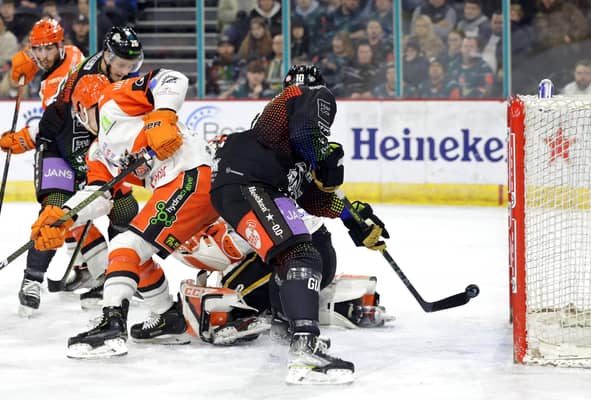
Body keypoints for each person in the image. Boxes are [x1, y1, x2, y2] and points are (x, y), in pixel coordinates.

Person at [209, 64, 389, 384]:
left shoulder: (285, 139)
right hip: (249, 183)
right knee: (301, 255)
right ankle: (305, 347)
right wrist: (323, 156)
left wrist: (352, 217)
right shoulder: (312, 96)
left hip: (253, 186)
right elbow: (308, 135)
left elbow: (309, 198)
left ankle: (284, 323)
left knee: (308, 250)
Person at [29, 68, 220, 359]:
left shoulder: (111, 97)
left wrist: (164, 114)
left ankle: (112, 322)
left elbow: (172, 78)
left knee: (124, 245)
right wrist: (66, 215)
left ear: (81, 108)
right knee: (132, 255)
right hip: (178, 185)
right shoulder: (97, 153)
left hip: (194, 172)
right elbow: (99, 196)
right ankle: (168, 317)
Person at [0, 26, 143, 317]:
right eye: (120, 64)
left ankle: (112, 274)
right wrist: (26, 139)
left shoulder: (84, 60)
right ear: (106, 55)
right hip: (59, 150)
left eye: (131, 65)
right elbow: (53, 120)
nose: (125, 70)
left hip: (94, 153)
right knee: (55, 212)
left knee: (125, 209)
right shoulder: (87, 86)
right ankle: (32, 279)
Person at [174, 217, 393, 332]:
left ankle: (261, 312)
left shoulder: (245, 189)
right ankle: (329, 304)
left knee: (233, 288)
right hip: (320, 255)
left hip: (299, 256)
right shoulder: (276, 174)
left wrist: (183, 247)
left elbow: (233, 249)